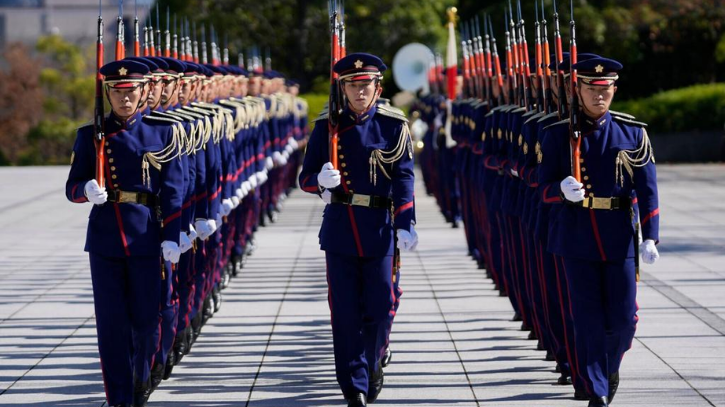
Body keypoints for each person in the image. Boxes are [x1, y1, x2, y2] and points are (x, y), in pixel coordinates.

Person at [538, 56, 660, 407]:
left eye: (604, 90)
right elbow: (541, 185)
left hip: (618, 235)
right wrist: (560, 189)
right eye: (591, 89)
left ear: (614, 90)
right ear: (577, 89)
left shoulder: (632, 134)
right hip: (575, 237)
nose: (598, 97)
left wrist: (651, 234)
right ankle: (596, 389)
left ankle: (609, 366)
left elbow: (648, 188)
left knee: (623, 320)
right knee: (587, 318)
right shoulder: (557, 134)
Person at [298, 52, 417, 407]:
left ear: (377, 87)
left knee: (381, 307)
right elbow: (304, 178)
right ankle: (354, 385)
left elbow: (404, 177)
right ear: (343, 88)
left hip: (379, 227)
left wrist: (406, 222)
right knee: (345, 312)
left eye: (366, 84)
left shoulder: (393, 125)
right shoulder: (327, 127)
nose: (359, 91)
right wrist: (320, 182)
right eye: (353, 85)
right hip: (340, 228)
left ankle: (373, 360)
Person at [65, 59, 184, 407]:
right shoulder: (90, 135)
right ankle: (119, 397)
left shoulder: (161, 133)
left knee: (147, 321)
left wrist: (171, 235)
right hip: (105, 238)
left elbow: (174, 189)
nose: (124, 99)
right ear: (108, 94)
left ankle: (141, 373)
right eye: (116, 92)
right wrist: (86, 189)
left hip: (146, 235)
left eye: (130, 91)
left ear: (144, 91)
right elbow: (71, 186)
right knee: (112, 325)